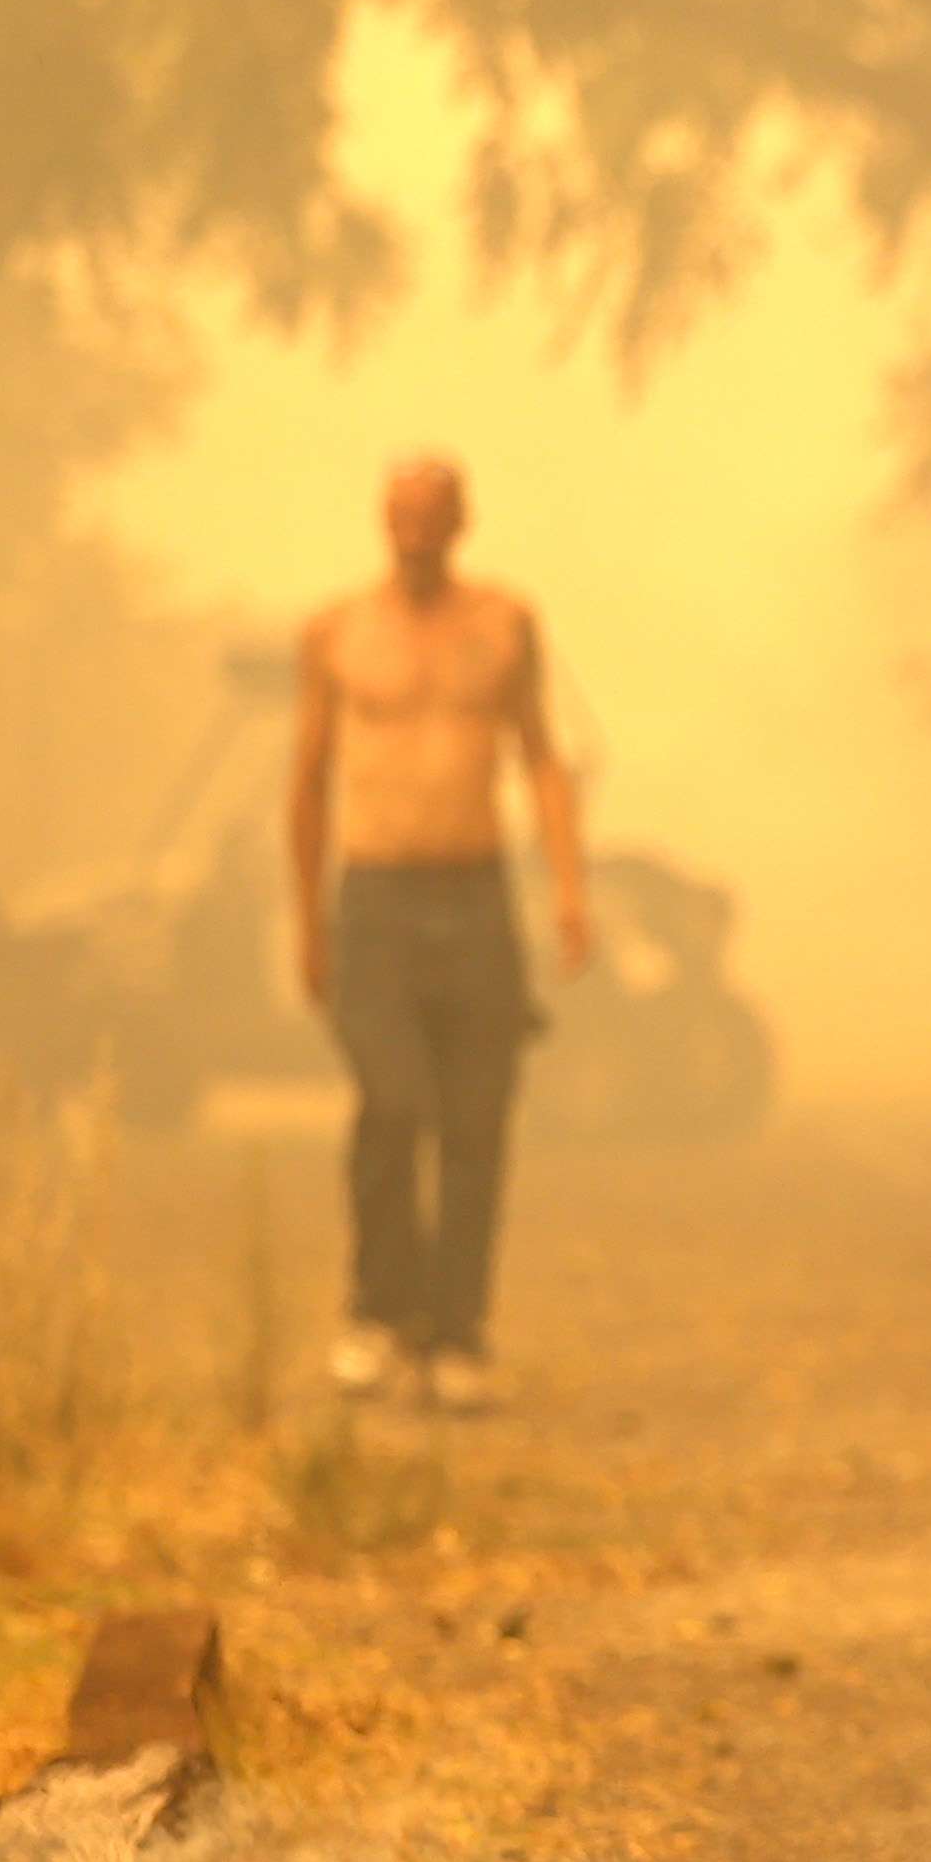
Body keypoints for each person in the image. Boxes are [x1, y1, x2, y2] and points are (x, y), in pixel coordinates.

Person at [287, 454, 589, 1412]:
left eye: (432, 517)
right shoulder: (339, 633)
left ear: (462, 521)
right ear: (382, 522)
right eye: (400, 516)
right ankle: (379, 1313)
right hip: (374, 897)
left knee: (474, 1119)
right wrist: (309, 923)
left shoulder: (503, 626)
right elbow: (307, 781)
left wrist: (569, 888)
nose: (414, 534)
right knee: (392, 1099)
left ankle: (458, 1334)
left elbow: (542, 758)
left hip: (475, 896)